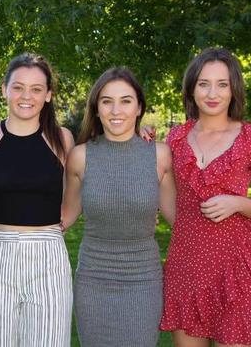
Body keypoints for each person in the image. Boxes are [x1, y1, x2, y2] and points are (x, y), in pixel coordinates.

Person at [159, 47, 251, 346]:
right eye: (204, 83)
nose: (213, 93)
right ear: (192, 88)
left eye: (222, 84)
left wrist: (240, 204)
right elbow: (165, 195)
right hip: (186, 269)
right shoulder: (174, 139)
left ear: (234, 89)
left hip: (235, 273)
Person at [62, 67, 177, 346]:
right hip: (93, 281)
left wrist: (236, 223)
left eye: (126, 101)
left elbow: (180, 220)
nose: (116, 110)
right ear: (96, 108)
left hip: (143, 282)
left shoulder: (159, 155)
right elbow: (64, 217)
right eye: (106, 101)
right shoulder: (80, 156)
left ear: (139, 108)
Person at [0, 53, 75, 346]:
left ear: (48, 95)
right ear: (4, 89)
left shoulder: (62, 139)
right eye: (18, 87)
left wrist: (60, 224)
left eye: (36, 89)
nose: (26, 96)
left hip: (49, 255)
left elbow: (77, 190)